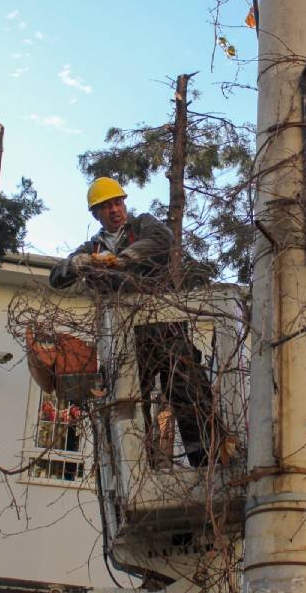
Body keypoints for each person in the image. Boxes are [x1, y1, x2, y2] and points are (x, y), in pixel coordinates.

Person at [49, 177, 217, 467]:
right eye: (106, 206)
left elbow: (163, 241)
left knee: (185, 385)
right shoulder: (92, 248)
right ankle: (142, 465)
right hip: (125, 335)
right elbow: (56, 278)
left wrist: (121, 258)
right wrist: (75, 264)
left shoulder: (142, 226)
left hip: (163, 326)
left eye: (117, 202)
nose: (114, 209)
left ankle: (205, 458)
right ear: (96, 214)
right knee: (131, 403)